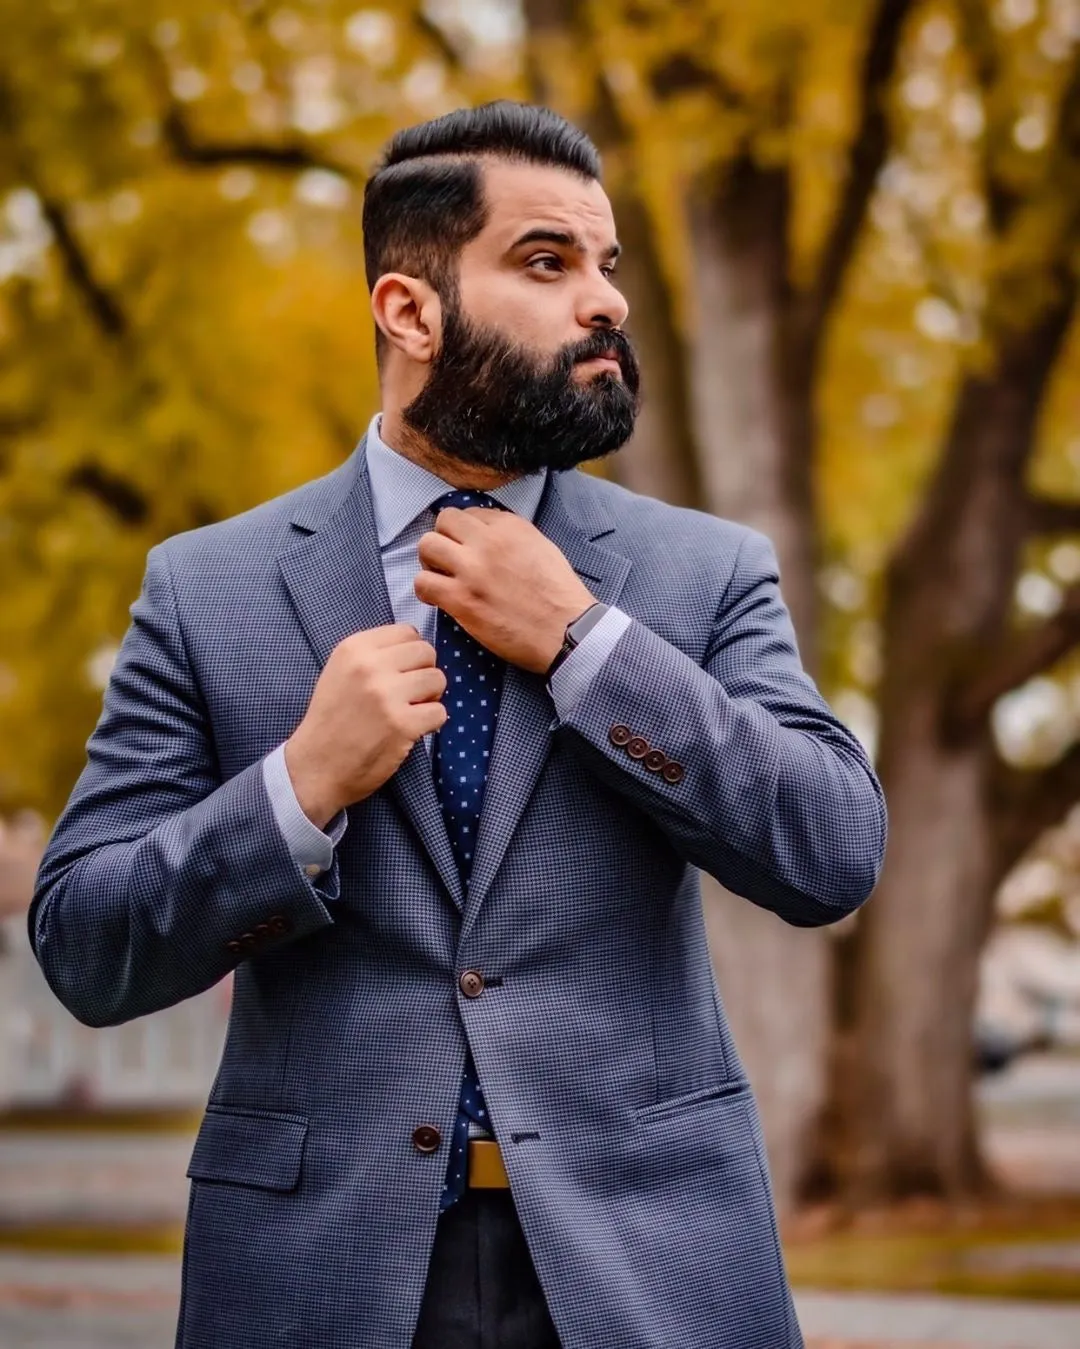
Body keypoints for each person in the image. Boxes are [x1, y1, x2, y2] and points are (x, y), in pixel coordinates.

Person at [30, 101, 886, 1349]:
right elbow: (84, 943)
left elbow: (833, 851)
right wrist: (298, 788)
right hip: (322, 1277)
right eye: (548, 263)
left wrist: (589, 645)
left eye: (608, 265)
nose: (606, 301)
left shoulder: (703, 574)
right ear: (410, 311)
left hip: (644, 1266)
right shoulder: (204, 589)